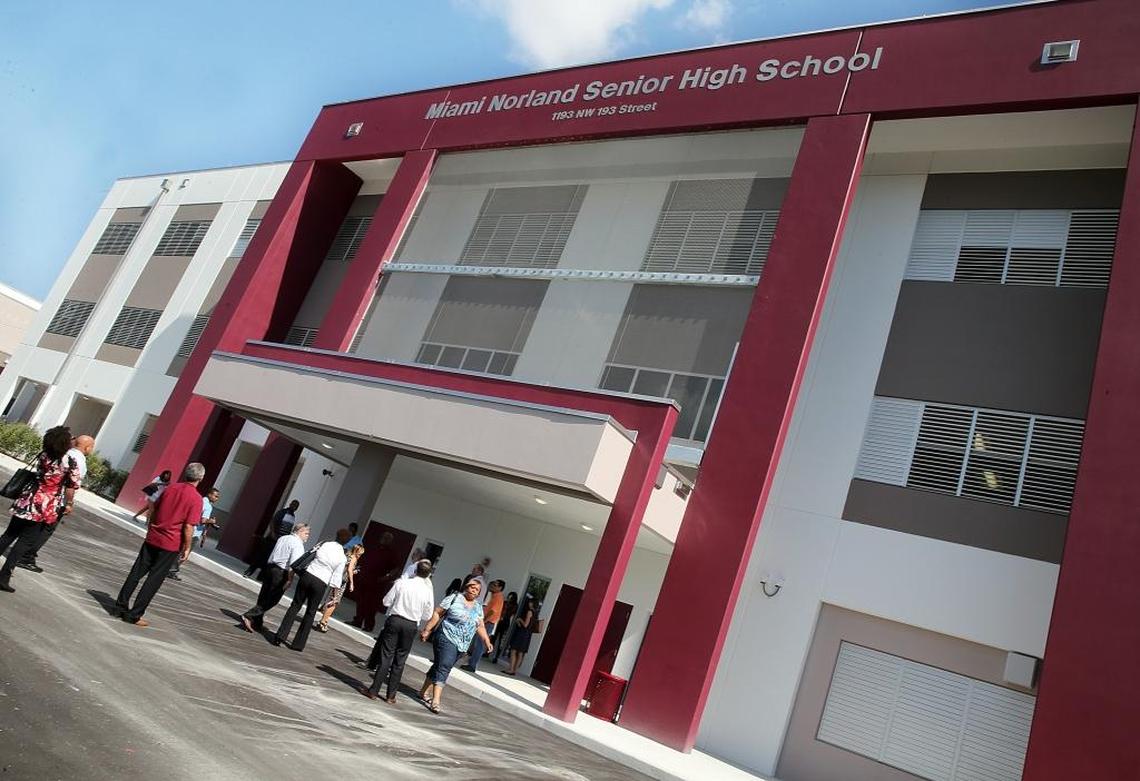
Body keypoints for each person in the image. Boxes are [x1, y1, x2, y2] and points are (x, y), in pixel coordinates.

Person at [114, 463, 204, 626]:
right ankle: (134, 614)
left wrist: (152, 526)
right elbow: (188, 526)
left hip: (154, 536)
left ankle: (120, 606)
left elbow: (155, 508)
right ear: (201, 478)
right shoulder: (196, 498)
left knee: (136, 572)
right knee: (153, 580)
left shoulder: (170, 488)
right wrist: (187, 547)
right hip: (171, 543)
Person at [0, 426, 81, 593]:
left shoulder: (44, 454)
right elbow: (71, 486)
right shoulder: (69, 461)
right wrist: (69, 503)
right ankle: (4, 577)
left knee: (9, 534)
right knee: (25, 541)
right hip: (46, 504)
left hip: (28, 498)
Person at [18, 433, 93, 574]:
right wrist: (69, 503)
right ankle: (26, 556)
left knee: (32, 526)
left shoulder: (65, 453)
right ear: (87, 447)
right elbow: (71, 485)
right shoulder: (79, 461)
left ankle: (21, 551)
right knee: (46, 529)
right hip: (57, 500)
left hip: (41, 494)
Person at [364, 558, 435, 703]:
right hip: (411, 624)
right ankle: (391, 696)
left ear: (415, 571)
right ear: (428, 575)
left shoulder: (402, 583)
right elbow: (427, 615)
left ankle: (374, 690)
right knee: (400, 660)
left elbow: (386, 601)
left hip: (396, 619)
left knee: (386, 656)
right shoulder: (427, 591)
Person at [418, 579, 493, 714]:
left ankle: (423, 692)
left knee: (440, 665)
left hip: (462, 644)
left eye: (476, 589)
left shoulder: (478, 607)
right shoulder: (454, 598)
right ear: (466, 587)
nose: (473, 590)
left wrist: (486, 641)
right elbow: (437, 613)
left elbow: (480, 625)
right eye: (471, 587)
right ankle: (436, 700)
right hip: (446, 636)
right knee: (445, 665)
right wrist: (427, 630)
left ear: (479, 593)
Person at [273, 537, 345, 652]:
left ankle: (280, 636)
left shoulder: (324, 544)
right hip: (321, 583)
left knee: (295, 605)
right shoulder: (342, 557)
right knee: (311, 612)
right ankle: (298, 644)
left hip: (308, 575)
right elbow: (337, 579)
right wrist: (334, 596)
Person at [240, 523, 310, 632]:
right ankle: (249, 615)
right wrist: (289, 579)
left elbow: (273, 553)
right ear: (299, 531)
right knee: (273, 599)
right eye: (306, 533)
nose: (307, 536)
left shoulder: (283, 538)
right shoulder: (298, 544)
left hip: (270, 568)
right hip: (281, 573)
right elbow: (294, 565)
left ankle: (257, 622)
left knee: (264, 596)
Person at [167, 487, 220, 581]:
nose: (217, 498)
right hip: (194, 533)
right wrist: (211, 521)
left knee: (178, 550)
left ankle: (168, 568)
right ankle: (172, 571)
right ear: (209, 494)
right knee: (184, 553)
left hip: (187, 528)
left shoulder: (199, 500)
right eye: (215, 496)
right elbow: (203, 520)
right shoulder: (208, 506)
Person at [243, 499, 300, 579]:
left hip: (280, 541)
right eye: (293, 505)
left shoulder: (293, 516)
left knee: (270, 559)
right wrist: (273, 533)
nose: (294, 507)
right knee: (262, 556)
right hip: (272, 539)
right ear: (290, 504)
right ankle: (249, 572)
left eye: (296, 506)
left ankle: (261, 576)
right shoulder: (282, 512)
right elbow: (273, 522)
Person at [316, 543, 364, 633]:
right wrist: (352, 583)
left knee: (332, 600)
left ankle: (324, 620)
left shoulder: (347, 556)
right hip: (341, 582)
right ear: (357, 552)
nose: (360, 556)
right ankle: (323, 621)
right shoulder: (353, 558)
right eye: (360, 554)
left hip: (337, 580)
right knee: (334, 602)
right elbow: (349, 570)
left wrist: (352, 571)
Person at [464, 579, 504, 674]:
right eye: (492, 584)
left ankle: (472, 665)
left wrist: (484, 620)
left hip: (487, 623)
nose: (492, 586)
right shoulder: (494, 596)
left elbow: (493, 611)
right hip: (486, 622)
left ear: (500, 588)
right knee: (477, 643)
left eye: (495, 585)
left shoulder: (498, 597)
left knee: (480, 645)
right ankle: (471, 662)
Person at [506, 597, 540, 676]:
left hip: (522, 633)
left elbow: (525, 625)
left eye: (530, 602)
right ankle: (514, 670)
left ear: (532, 603)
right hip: (528, 635)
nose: (529, 603)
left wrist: (520, 620)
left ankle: (511, 669)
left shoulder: (529, 612)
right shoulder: (536, 613)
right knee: (521, 653)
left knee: (513, 650)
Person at [492, 591, 519, 663]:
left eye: (511, 597)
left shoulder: (514, 605)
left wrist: (506, 609)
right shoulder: (505, 602)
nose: (509, 598)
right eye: (509, 597)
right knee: (494, 637)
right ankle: (488, 652)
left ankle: (496, 656)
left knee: (501, 640)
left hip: (505, 622)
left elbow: (511, 613)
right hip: (500, 621)